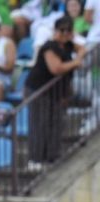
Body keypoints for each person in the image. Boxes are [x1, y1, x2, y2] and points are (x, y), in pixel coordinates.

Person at [24, 15, 84, 168]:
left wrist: (79, 55)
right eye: (61, 30)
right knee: (40, 123)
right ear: (55, 30)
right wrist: (76, 62)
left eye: (68, 30)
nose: (64, 33)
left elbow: (82, 48)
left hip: (55, 92)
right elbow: (56, 68)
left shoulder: (69, 45)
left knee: (55, 123)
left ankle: (52, 157)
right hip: (38, 89)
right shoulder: (49, 46)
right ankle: (35, 159)